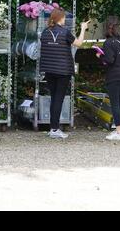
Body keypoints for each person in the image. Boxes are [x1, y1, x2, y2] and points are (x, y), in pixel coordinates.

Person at [40, 8, 90, 139]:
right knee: (58, 99)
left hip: (49, 70)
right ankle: (55, 129)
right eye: (63, 17)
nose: (65, 19)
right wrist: (83, 28)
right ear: (60, 18)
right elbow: (78, 44)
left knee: (53, 98)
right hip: (63, 71)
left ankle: (53, 128)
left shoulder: (45, 32)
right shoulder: (65, 32)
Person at [96, 16, 120, 141]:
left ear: (108, 27)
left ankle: (119, 132)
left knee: (115, 104)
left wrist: (100, 55)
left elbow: (109, 60)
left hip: (114, 76)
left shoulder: (108, 43)